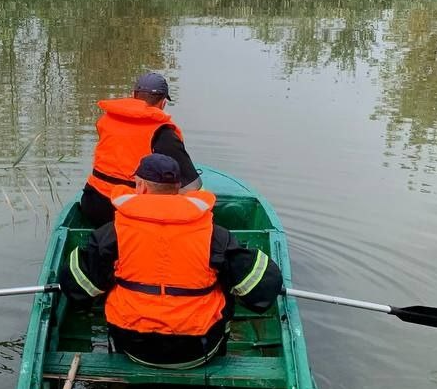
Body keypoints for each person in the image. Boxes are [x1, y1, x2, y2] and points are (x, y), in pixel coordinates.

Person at [60, 154, 282, 369]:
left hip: (134, 348)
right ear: (178, 191)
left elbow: (77, 286)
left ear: (142, 188)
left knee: (108, 279)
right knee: (225, 285)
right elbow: (263, 288)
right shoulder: (215, 235)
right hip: (198, 349)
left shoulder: (112, 233)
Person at [81, 72, 199, 227]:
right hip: (129, 209)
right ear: (163, 103)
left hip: (93, 202)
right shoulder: (163, 133)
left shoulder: (107, 119)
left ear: (133, 95)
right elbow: (192, 185)